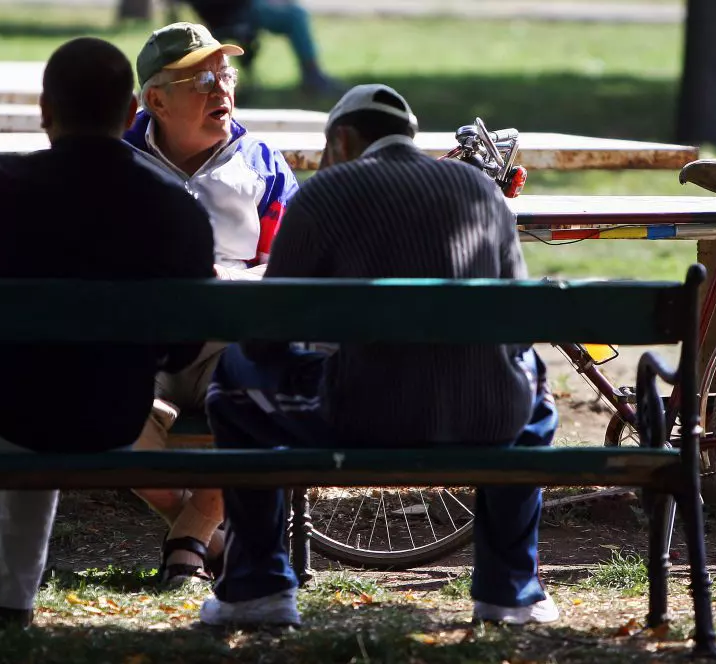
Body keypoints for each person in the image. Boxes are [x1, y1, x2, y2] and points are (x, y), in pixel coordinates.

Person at [0, 37, 216, 627]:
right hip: (111, 424)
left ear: (44, 110)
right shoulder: (177, 211)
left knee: (15, 377)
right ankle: (7, 599)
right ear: (133, 109)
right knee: (53, 386)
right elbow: (183, 347)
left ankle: (10, 600)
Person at [199, 84, 560, 627]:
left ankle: (257, 587)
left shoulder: (325, 194)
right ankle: (510, 589)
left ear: (342, 140)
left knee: (231, 381)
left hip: (361, 416)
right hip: (484, 418)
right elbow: (517, 326)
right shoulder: (479, 191)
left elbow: (265, 337)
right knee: (534, 393)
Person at [122, 21, 300, 587]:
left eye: (225, 75)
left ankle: (188, 544)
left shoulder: (263, 164)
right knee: (105, 419)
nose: (221, 90)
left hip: (228, 342)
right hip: (139, 347)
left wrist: (229, 280)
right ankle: (207, 535)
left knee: (260, 398)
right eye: (201, 81)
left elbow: (294, 264)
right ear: (156, 100)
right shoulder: (118, 166)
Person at [180, 0, 342, 96]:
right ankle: (313, 76)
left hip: (231, 9)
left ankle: (313, 76)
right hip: (233, 11)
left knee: (289, 7)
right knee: (295, 15)